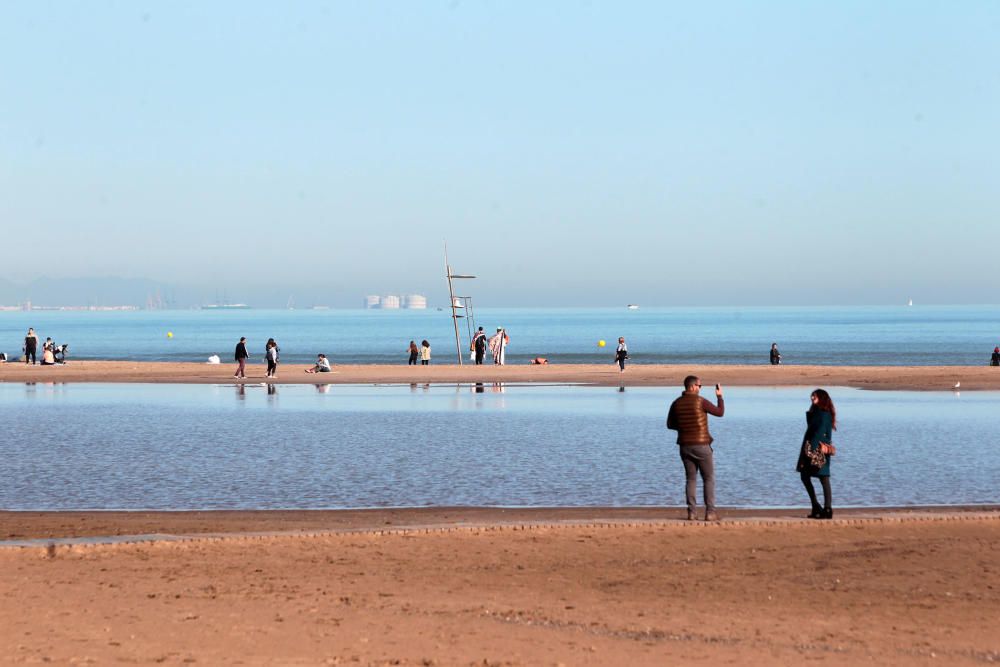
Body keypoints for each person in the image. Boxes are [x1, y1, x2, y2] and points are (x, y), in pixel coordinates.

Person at [666, 376, 725, 521]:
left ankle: (692, 512)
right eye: (699, 385)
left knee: (690, 479)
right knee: (708, 478)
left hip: (685, 446)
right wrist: (720, 397)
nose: (700, 388)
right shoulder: (701, 402)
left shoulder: (676, 403)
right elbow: (720, 412)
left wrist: (684, 428)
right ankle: (710, 512)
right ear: (692, 387)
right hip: (702, 445)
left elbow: (670, 424)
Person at [796, 389, 836, 519]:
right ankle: (816, 506)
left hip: (817, 448)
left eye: (815, 396)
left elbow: (820, 432)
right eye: (812, 396)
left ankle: (827, 509)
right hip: (810, 446)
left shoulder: (824, 414)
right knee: (805, 476)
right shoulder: (817, 412)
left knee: (823, 478)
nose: (812, 398)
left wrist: (812, 448)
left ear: (821, 398)